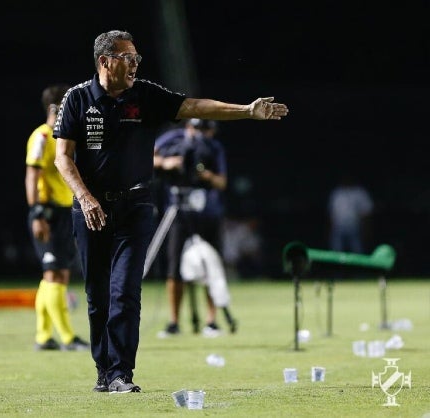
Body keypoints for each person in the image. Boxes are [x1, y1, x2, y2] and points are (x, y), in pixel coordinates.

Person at [53, 30, 288, 394]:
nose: (135, 64)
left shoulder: (144, 95)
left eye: (137, 58)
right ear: (105, 62)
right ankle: (104, 369)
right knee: (97, 295)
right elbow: (62, 159)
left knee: (125, 291)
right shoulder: (78, 98)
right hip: (90, 211)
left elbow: (194, 106)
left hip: (135, 206)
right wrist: (85, 198)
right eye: (127, 58)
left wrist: (246, 111)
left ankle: (120, 374)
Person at [153, 118, 237, 338]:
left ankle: (211, 321)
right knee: (174, 267)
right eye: (198, 129)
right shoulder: (174, 139)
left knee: (211, 266)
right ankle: (173, 322)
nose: (202, 135)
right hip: (178, 210)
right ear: (189, 127)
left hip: (208, 211)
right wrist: (168, 163)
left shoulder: (214, 148)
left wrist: (205, 175)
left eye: (207, 130)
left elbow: (222, 182)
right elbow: (150, 158)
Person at [25, 84, 90, 352]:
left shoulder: (61, 136)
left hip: (64, 212)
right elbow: (32, 175)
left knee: (52, 275)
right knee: (56, 274)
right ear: (56, 108)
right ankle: (66, 337)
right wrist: (37, 213)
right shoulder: (41, 136)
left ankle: (43, 337)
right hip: (48, 213)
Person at [327, 173, 373, 253]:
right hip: (338, 227)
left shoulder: (359, 192)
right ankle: (337, 265)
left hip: (354, 227)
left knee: (357, 250)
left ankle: (358, 265)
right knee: (336, 250)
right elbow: (332, 213)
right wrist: (330, 228)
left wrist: (366, 229)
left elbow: (366, 212)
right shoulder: (337, 193)